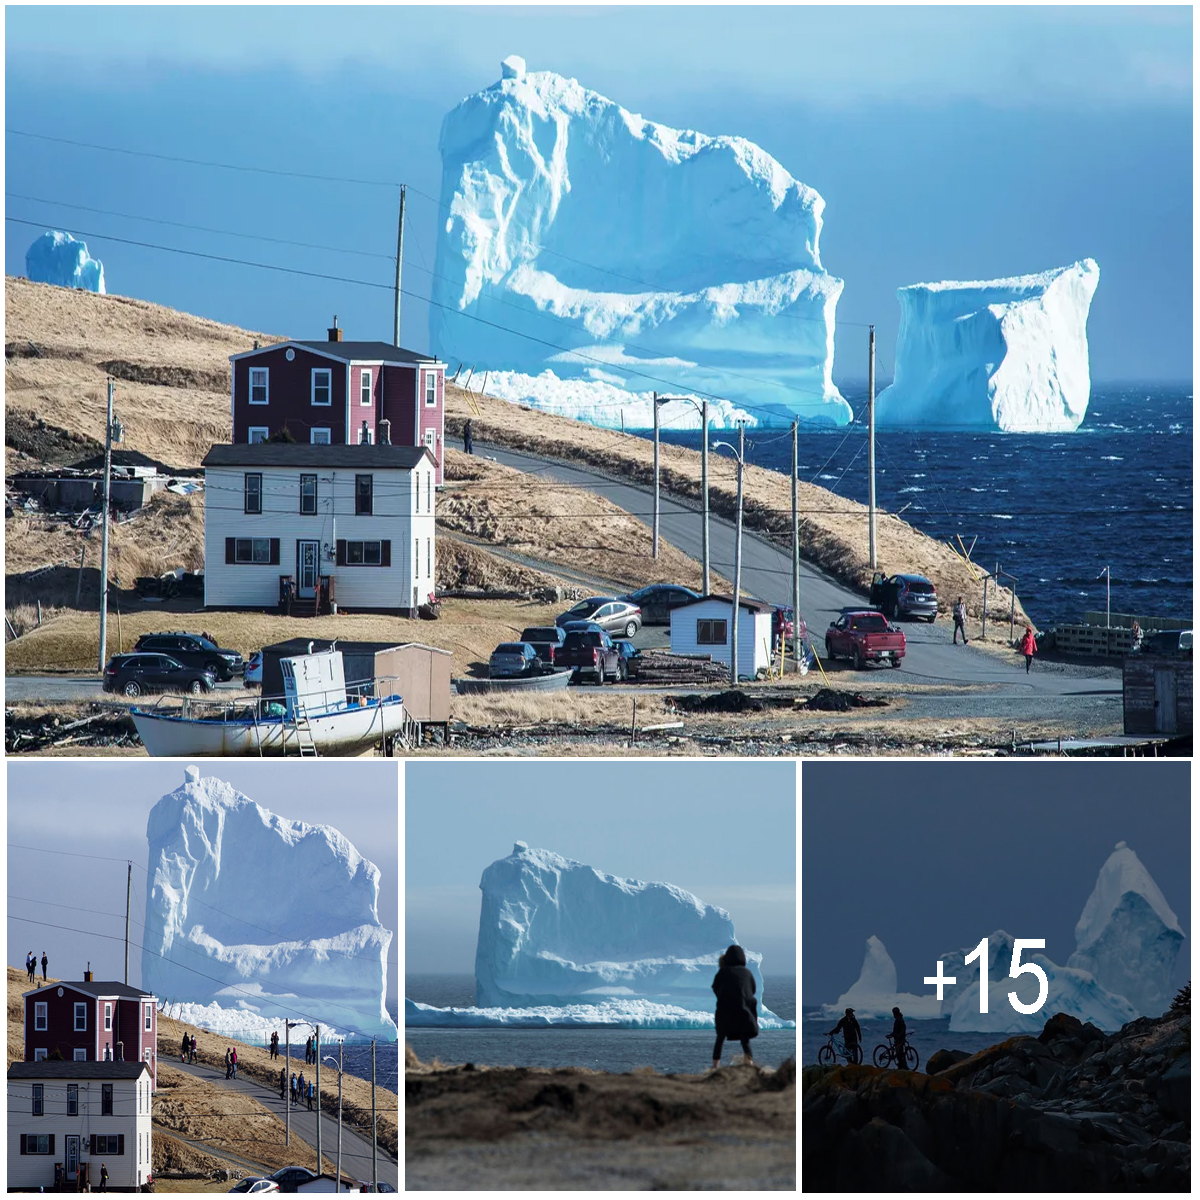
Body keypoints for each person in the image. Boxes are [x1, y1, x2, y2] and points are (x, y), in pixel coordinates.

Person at [710, 943, 758, 1069]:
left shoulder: (722, 972)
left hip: (725, 1013)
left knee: (720, 1039)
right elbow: (752, 990)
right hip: (744, 1012)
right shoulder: (747, 973)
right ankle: (750, 1065)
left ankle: (715, 1067)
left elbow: (715, 988)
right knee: (745, 1040)